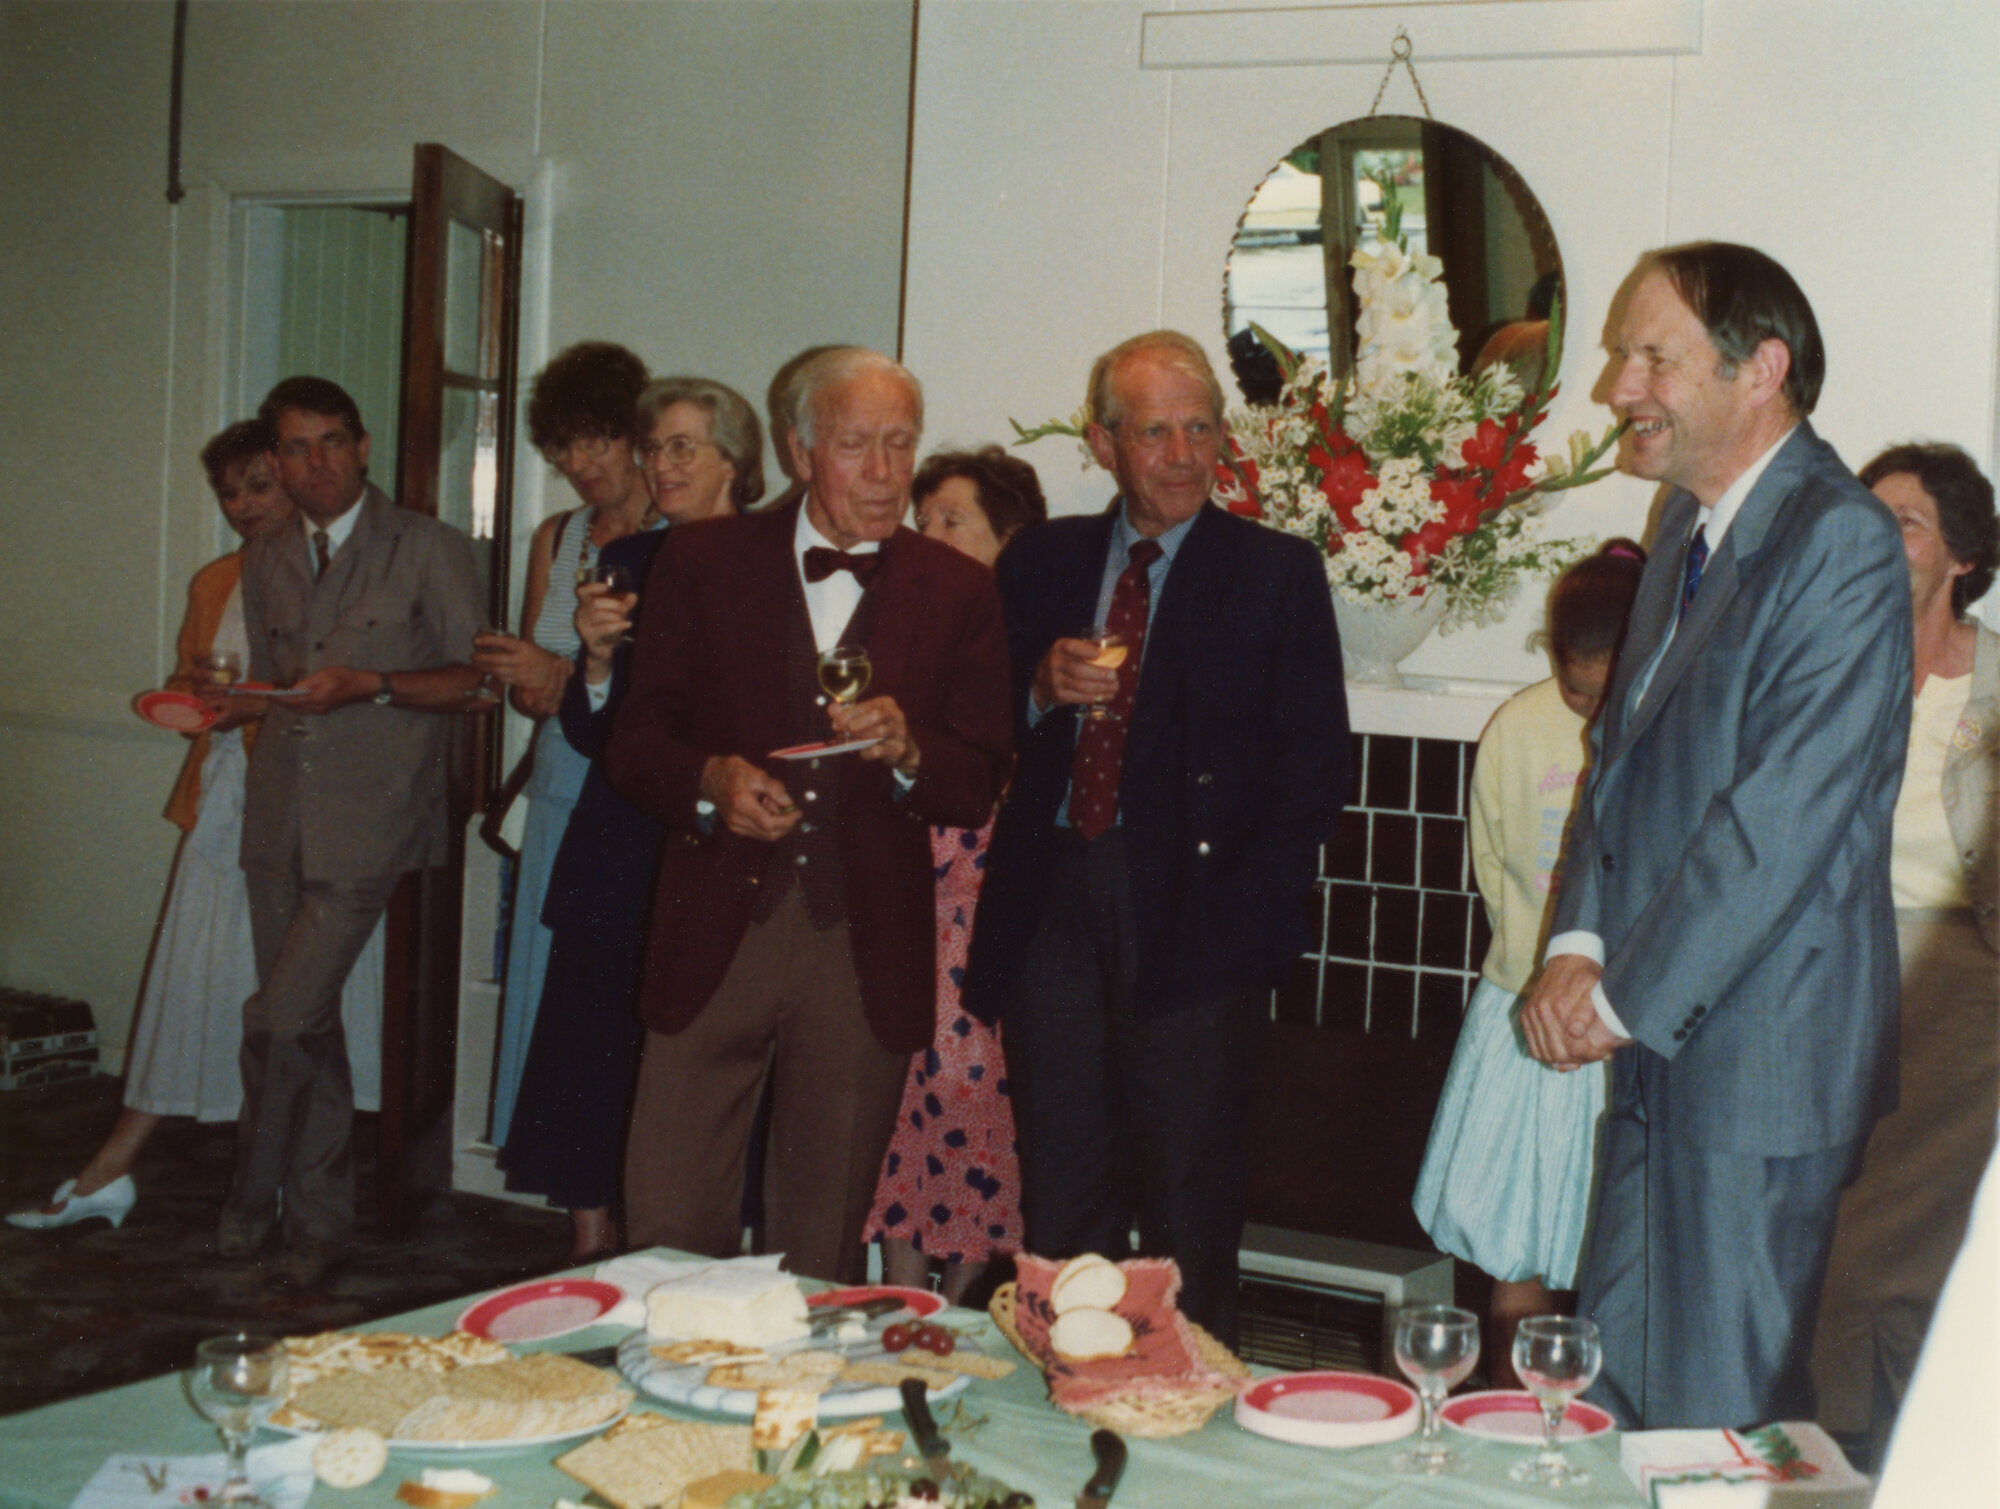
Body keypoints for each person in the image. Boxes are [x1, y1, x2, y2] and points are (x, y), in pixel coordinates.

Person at [1519, 244, 1912, 1429]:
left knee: (1718, 1418)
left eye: (1651, 357)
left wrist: (1618, 994)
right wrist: (1576, 941)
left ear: (1762, 370)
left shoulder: (1837, 542)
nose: (1617, 388)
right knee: (1620, 1401)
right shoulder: (1683, 522)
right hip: (1654, 1038)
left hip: (1757, 1062)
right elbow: (1618, 766)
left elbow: (1775, 824)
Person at [963, 330, 1350, 1347]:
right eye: (1154, 433)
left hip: (1192, 915)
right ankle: (1072, 1400)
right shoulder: (1040, 560)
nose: (1183, 454)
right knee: (1064, 1182)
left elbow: (1316, 772)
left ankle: (1194, 1415)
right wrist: (1037, 690)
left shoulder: (1272, 571)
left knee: (1186, 1196)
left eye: (1200, 429)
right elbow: (973, 719)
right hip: (1050, 900)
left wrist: (1244, 923)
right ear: (1102, 444)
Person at [604, 348, 1012, 1286]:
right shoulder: (700, 560)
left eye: (900, 444)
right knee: (665, 1217)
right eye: (855, 445)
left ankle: (799, 1426)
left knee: (821, 1243)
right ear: (797, 450)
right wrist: (708, 778)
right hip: (714, 926)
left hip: (861, 947)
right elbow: (637, 742)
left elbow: (979, 773)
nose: (883, 472)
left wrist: (912, 753)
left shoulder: (958, 589)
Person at [6, 423, 381, 1232]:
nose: (244, 505)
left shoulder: (344, 575)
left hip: (326, 809)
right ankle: (119, 1162)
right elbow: (193, 689)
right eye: (231, 492)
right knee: (196, 979)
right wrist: (199, 699)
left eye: (259, 485)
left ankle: (283, 1175)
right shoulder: (218, 579)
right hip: (233, 797)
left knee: (301, 997)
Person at [218, 376, 486, 1288]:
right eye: (295, 448)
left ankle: (255, 1196)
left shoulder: (427, 547)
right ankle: (322, 1221)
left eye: (331, 441)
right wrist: (222, 706)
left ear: (363, 445)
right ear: (278, 459)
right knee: (309, 1021)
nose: (315, 464)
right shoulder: (266, 554)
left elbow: (473, 683)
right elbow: (270, 681)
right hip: (278, 818)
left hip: (373, 821)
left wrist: (371, 682)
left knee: (280, 1015)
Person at [499, 377, 764, 1261]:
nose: (661, 464)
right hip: (619, 838)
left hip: (721, 846)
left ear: (736, 457)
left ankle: (688, 1256)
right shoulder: (631, 564)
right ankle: (587, 1250)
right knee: (588, 1044)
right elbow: (588, 725)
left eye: (683, 445)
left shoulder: (776, 564)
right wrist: (599, 663)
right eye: (653, 447)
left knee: (700, 1070)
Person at [1410, 540, 1647, 1384]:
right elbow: (1493, 858)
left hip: (1621, 1031)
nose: (1591, 712)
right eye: (1577, 691)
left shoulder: (1666, 723)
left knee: (1611, 1243)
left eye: (1608, 692)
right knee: (1513, 1238)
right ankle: (1507, 1414)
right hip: (1523, 1011)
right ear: (1554, 661)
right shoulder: (1518, 726)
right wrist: (1525, 965)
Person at [1810, 442, 1998, 1465]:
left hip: (1959, 988)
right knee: (1826, 1228)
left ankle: (1900, 1447)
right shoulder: (1831, 663)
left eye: (1905, 521)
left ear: (1961, 555)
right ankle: (1841, 1443)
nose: (1877, 538)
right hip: (1830, 973)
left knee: (1901, 1238)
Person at [864, 446, 1047, 1302]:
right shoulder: (905, 623)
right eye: (923, 518)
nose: (928, 535)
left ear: (1009, 541)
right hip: (903, 880)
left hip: (985, 896)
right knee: (898, 1086)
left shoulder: (1029, 642)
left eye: (952, 521)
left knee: (975, 1087)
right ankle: (901, 1299)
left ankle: (965, 1295)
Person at [475, 342, 653, 1153]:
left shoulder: (675, 537)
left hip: (630, 794)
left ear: (635, 434)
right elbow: (531, 694)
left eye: (596, 440)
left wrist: (560, 672)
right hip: (556, 785)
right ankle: (571, 1196)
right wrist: (534, 674)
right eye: (563, 446)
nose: (578, 462)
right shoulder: (559, 534)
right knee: (550, 987)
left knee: (618, 1001)